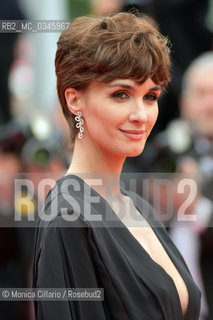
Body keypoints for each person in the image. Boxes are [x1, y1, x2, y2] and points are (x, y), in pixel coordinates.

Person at [32, 12, 201, 319]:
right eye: (121, 94)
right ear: (74, 100)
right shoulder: (68, 217)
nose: (141, 114)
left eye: (150, 96)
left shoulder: (137, 205)